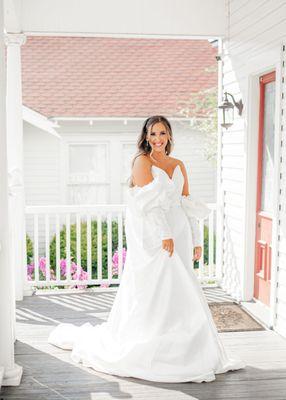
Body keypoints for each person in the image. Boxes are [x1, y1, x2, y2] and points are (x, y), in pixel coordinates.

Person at [48, 115, 246, 383]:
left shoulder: (178, 165)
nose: (157, 139)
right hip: (154, 237)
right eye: (152, 134)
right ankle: (152, 344)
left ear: (169, 136)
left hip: (180, 232)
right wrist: (165, 235)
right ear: (145, 136)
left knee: (184, 286)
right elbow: (146, 204)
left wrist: (196, 240)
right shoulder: (142, 162)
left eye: (162, 133)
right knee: (156, 287)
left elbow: (186, 204)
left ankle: (192, 352)